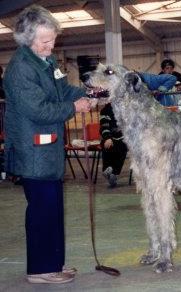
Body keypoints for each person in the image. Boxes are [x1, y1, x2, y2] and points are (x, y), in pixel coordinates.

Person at [3, 5, 92, 284]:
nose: (51, 45)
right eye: (45, 41)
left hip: (48, 148)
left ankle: (53, 263)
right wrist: (73, 108)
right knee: (42, 210)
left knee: (53, 208)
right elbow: (39, 110)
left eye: (52, 39)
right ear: (27, 39)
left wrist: (89, 93)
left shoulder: (47, 62)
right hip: (32, 151)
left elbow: (63, 90)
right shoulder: (20, 69)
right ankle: (40, 270)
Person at [100, 103, 128, 187]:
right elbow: (104, 126)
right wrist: (107, 138)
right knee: (107, 145)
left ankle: (112, 172)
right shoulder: (105, 110)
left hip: (123, 137)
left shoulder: (126, 108)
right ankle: (108, 170)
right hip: (110, 137)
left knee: (123, 146)